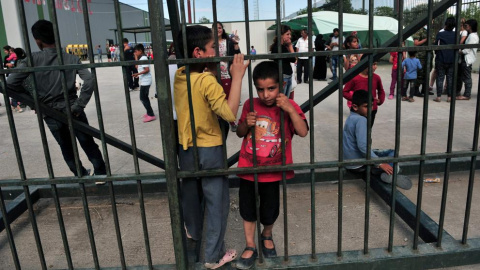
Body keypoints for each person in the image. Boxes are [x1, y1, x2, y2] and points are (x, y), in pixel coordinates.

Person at [174, 25, 249, 269]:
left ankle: (193, 233)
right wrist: (237, 76)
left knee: (191, 192)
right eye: (212, 48)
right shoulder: (207, 81)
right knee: (217, 201)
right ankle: (213, 255)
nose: (216, 52)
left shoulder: (181, 75)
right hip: (210, 147)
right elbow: (228, 113)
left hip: (186, 147)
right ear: (198, 52)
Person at [6, 20, 106, 178]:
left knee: (66, 146)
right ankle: (101, 174)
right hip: (73, 107)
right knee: (87, 141)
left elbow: (10, 84)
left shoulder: (31, 60)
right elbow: (89, 80)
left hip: (49, 111)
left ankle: (80, 175)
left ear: (37, 40)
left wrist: (32, 100)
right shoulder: (70, 58)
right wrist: (79, 105)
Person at [235, 61, 308, 269]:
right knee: (247, 209)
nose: (266, 94)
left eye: (271, 89)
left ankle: (266, 234)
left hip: (274, 170)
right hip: (249, 168)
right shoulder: (250, 104)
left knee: (270, 209)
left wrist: (290, 110)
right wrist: (245, 124)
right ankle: (250, 245)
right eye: (260, 89)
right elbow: (240, 133)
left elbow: (302, 131)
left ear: (281, 85)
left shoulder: (288, 105)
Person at [343, 90, 412, 190]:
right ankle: (387, 172)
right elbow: (362, 146)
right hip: (359, 163)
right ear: (355, 107)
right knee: (392, 154)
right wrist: (379, 163)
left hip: (349, 161)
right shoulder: (361, 120)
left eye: (371, 106)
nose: (370, 109)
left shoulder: (351, 118)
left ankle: (379, 169)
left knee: (377, 152)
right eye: (366, 106)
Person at [212, 21, 241, 135]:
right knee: (216, 96)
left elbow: (237, 53)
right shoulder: (210, 42)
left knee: (229, 97)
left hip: (226, 73)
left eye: (220, 28)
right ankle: (218, 119)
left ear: (222, 30)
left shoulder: (228, 41)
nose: (218, 30)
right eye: (216, 28)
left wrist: (236, 43)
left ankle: (231, 121)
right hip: (213, 73)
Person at [343, 54, 385, 127]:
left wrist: (380, 100)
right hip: (358, 109)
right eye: (373, 64)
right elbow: (344, 91)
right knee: (357, 129)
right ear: (364, 63)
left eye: (376, 64)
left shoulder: (376, 78)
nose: (375, 67)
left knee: (368, 129)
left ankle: (367, 139)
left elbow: (381, 90)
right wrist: (356, 99)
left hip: (372, 109)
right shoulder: (354, 78)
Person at [269, 24, 296, 98]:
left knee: (284, 99)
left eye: (290, 34)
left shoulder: (279, 46)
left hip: (286, 76)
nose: (289, 36)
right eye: (287, 34)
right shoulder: (280, 47)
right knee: (283, 100)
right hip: (284, 77)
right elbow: (293, 59)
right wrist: (290, 45)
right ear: (281, 35)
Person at [433, 17, 456, 102]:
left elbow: (436, 46)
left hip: (441, 58)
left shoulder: (440, 34)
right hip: (452, 59)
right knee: (450, 78)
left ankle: (438, 96)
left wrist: (437, 53)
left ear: (445, 24)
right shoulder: (456, 34)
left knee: (440, 77)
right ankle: (449, 97)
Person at [132, 44, 155, 123]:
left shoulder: (144, 58)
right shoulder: (141, 58)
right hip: (144, 81)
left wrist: (137, 74)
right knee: (144, 97)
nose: (135, 53)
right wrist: (135, 57)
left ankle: (151, 114)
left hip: (146, 81)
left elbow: (147, 69)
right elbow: (137, 67)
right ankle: (149, 112)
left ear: (140, 51)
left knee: (143, 98)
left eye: (136, 51)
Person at [456, 19, 478, 100]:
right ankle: (463, 93)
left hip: (467, 59)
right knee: (463, 76)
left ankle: (467, 95)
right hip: (467, 58)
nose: (465, 27)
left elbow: (467, 50)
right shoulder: (472, 35)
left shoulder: (472, 36)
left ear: (470, 26)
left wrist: (459, 51)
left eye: (466, 25)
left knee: (467, 77)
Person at [412, 25, 434, 97]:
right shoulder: (420, 30)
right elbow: (416, 43)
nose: (432, 21)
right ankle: (416, 90)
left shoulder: (430, 30)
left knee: (427, 72)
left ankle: (424, 89)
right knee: (419, 73)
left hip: (428, 55)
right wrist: (426, 39)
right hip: (421, 56)